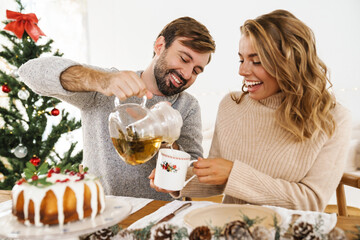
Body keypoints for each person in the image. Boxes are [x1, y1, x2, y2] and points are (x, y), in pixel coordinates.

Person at [149, 9, 352, 211]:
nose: (242, 71)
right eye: (241, 59)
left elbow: (311, 201)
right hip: (231, 228)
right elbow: (216, 177)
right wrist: (174, 179)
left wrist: (233, 174)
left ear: (290, 63)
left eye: (256, 61)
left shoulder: (334, 119)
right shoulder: (231, 105)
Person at [19, 16, 216, 201]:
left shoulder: (188, 105)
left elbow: (193, 172)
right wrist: (100, 80)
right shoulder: (107, 84)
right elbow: (29, 72)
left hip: (160, 219)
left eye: (197, 70)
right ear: (160, 46)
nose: (187, 73)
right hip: (102, 214)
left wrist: (167, 140)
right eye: (184, 59)